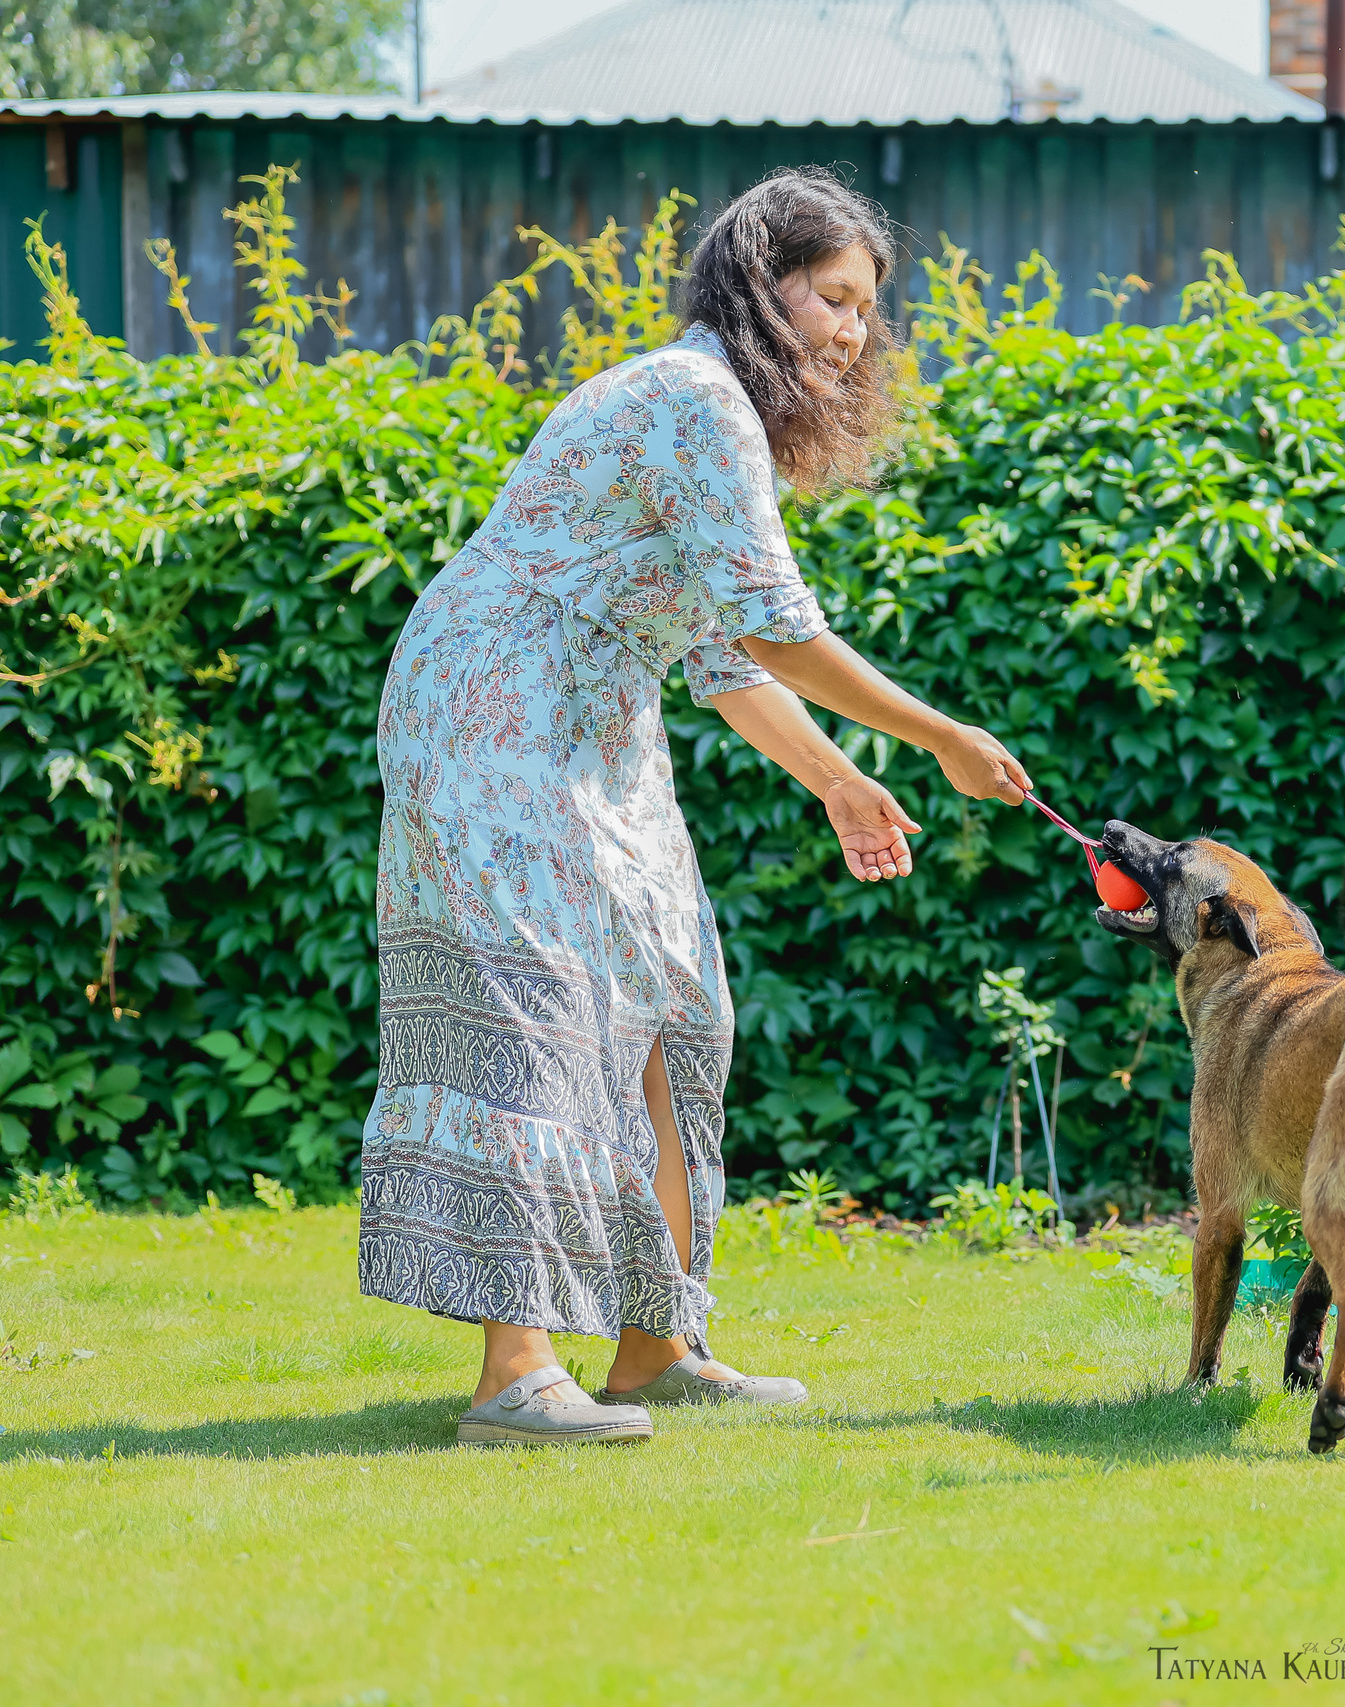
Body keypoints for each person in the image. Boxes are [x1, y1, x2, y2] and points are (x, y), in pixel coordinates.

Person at [357, 169, 1031, 1447]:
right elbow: (777, 630)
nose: (854, 331)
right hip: (493, 703)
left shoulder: (718, 416)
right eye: (832, 297)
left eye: (866, 309)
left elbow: (725, 658)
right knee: (540, 1008)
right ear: (761, 284)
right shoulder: (693, 394)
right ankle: (513, 1372)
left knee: (675, 1009)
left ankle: (655, 1344)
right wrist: (938, 736)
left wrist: (839, 781)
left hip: (595, 719)